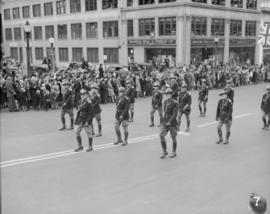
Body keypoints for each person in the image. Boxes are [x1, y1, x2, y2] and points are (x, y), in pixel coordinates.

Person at [159, 88, 178, 159]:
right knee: (161, 135)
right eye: (166, 94)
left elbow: (174, 114)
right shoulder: (165, 102)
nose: (166, 95)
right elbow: (165, 112)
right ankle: (164, 150)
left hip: (172, 123)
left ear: (171, 94)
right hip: (165, 121)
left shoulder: (175, 103)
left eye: (168, 94)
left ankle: (174, 151)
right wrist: (163, 121)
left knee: (173, 137)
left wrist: (170, 122)